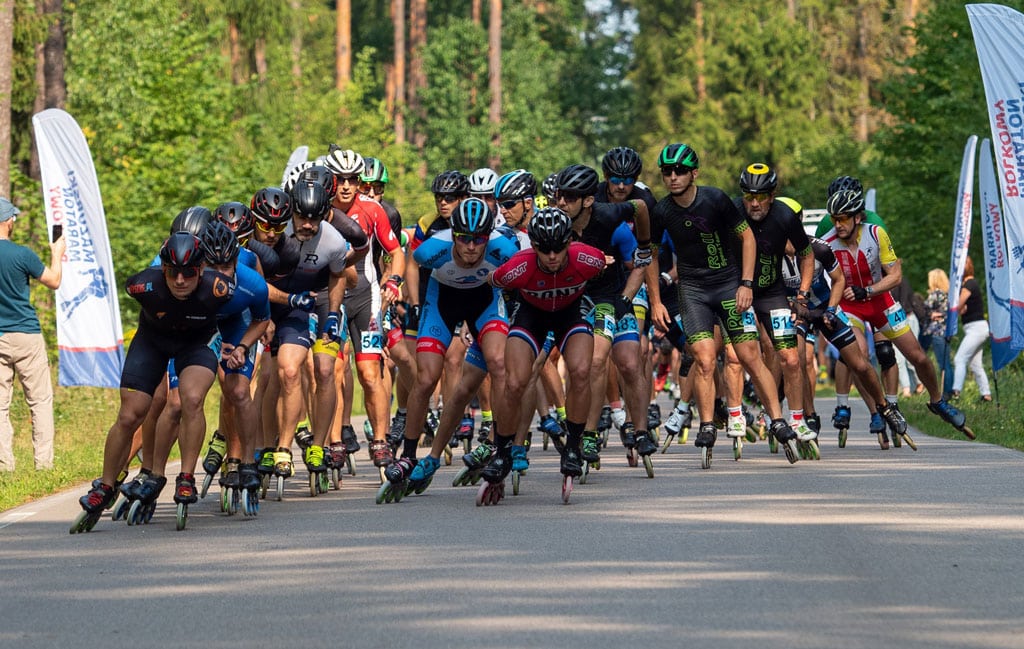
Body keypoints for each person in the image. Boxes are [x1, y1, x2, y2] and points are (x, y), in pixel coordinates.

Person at [821, 188, 973, 440]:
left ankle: (938, 401)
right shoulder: (827, 243)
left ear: (857, 217)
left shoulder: (876, 233)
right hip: (849, 307)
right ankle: (881, 409)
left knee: (919, 357)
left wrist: (867, 290)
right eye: (834, 218)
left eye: (843, 218)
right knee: (860, 357)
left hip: (881, 301)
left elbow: (895, 276)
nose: (838, 224)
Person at [0, 197, 64, 472]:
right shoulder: (22, 254)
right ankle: (43, 465)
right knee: (39, 401)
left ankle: (5, 466)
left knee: (0, 407)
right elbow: (54, 281)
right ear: (9, 221)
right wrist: (56, 254)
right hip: (26, 334)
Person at [951, 257, 992, 402]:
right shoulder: (970, 284)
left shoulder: (969, 284)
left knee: (959, 358)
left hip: (976, 328)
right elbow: (961, 308)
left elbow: (958, 305)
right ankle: (986, 394)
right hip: (977, 328)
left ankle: (956, 391)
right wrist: (961, 308)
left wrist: (958, 306)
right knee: (975, 364)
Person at [923, 268, 954, 397]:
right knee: (947, 362)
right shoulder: (949, 295)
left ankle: (946, 393)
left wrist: (930, 314)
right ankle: (951, 390)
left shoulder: (935, 294)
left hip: (936, 331)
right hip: (947, 331)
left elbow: (924, 309)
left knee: (942, 364)